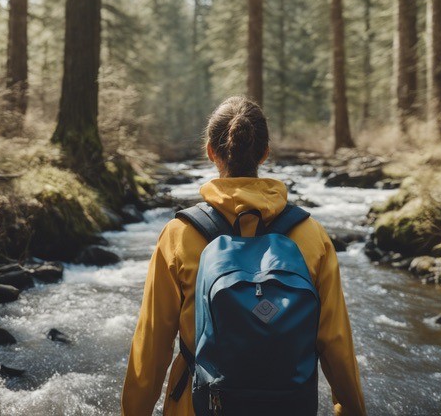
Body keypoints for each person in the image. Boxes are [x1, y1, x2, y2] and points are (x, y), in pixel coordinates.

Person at [121, 96, 366, 415]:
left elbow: (151, 347)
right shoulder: (311, 235)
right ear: (264, 152)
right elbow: (336, 345)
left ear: (210, 151)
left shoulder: (180, 234)